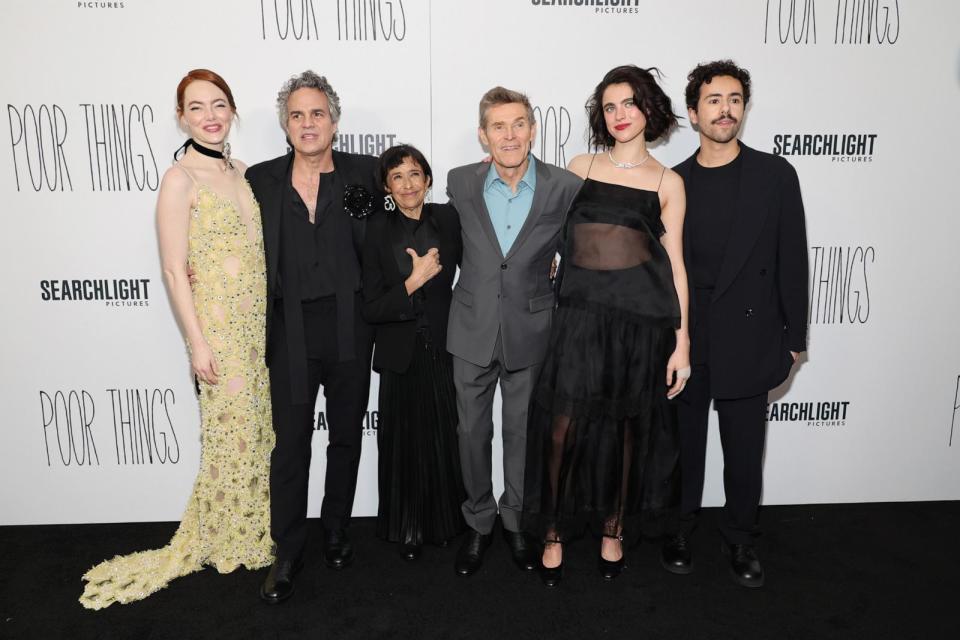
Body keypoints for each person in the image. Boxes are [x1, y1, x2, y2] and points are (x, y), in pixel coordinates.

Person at [80, 69, 273, 609]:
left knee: (254, 433)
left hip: (256, 327)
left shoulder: (241, 171)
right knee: (228, 436)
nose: (209, 115)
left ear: (232, 110)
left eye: (218, 104)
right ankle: (228, 537)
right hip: (218, 331)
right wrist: (197, 343)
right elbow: (171, 270)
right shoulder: (179, 179)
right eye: (196, 108)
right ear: (181, 118)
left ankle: (247, 529)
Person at [522, 65, 690, 588]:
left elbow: (676, 264)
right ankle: (551, 532)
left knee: (626, 434)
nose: (619, 115)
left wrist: (682, 342)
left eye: (629, 104)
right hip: (577, 318)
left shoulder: (668, 181)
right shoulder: (580, 165)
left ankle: (613, 531)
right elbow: (544, 227)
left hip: (640, 327)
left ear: (649, 110)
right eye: (610, 106)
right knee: (561, 429)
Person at [660, 60, 808, 588]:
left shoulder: (775, 175)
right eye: (713, 100)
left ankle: (742, 538)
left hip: (752, 333)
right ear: (694, 113)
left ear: (744, 108)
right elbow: (662, 270)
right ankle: (679, 530)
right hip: (688, 335)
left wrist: (794, 341)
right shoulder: (674, 181)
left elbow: (793, 259)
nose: (725, 109)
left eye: (734, 99)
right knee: (684, 446)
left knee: (745, 450)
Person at [246, 71, 380, 604]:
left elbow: (402, 212)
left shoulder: (366, 178)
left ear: (334, 121)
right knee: (292, 444)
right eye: (297, 115)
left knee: (346, 436)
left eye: (317, 113)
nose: (308, 123)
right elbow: (224, 232)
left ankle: (337, 528)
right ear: (285, 124)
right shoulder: (260, 182)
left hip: (351, 324)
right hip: (291, 330)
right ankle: (288, 547)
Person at [446, 87, 583, 577]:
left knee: (523, 433)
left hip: (532, 326)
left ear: (532, 129)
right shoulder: (459, 182)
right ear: (483, 134)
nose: (509, 134)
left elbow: (582, 251)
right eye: (498, 126)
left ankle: (516, 522)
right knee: (471, 432)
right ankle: (479, 524)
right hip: (470, 327)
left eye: (519, 123)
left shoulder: (562, 186)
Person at [361, 144, 465, 560]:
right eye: (397, 177)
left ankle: (445, 523)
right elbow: (370, 305)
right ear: (387, 185)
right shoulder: (375, 229)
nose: (407, 184)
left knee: (444, 437)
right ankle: (407, 528)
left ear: (427, 179)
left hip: (444, 345)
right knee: (402, 443)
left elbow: (486, 259)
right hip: (400, 351)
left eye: (414, 174)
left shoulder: (450, 218)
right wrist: (412, 282)